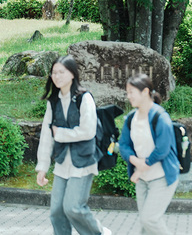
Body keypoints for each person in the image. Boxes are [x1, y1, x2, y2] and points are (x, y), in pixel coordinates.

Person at [35, 56, 112, 235]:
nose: (57, 76)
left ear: (72, 74)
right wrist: (42, 167)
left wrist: (61, 134)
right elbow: (47, 135)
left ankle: (99, 232)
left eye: (62, 72)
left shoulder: (84, 98)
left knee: (73, 207)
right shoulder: (53, 102)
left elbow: (88, 131)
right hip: (63, 163)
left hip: (84, 161)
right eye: (54, 72)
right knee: (56, 212)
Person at [119, 73, 181, 235]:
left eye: (131, 92)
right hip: (143, 180)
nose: (128, 96)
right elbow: (124, 144)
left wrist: (140, 167)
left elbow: (162, 149)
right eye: (127, 92)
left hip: (162, 177)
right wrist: (134, 160)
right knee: (145, 226)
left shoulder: (160, 117)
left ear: (145, 92)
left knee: (150, 220)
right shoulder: (131, 118)